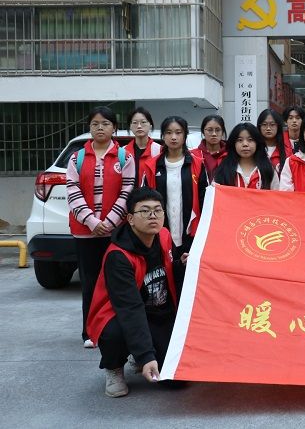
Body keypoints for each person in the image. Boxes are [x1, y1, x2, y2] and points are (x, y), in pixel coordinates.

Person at [86, 187, 178, 397]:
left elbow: (174, 274)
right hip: (122, 314)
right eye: (145, 211)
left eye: (158, 210)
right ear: (130, 219)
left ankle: (140, 354)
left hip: (160, 313)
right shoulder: (118, 256)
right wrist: (146, 355)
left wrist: (183, 263)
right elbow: (130, 308)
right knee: (114, 332)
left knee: (177, 381)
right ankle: (114, 366)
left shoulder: (164, 236)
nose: (153, 216)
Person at [66, 106, 136, 348]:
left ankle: (112, 329)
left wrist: (109, 222)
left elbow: (128, 191)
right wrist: (92, 222)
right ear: (89, 127)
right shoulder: (77, 158)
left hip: (114, 232)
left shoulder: (124, 157)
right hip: (85, 233)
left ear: (114, 127)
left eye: (105, 124)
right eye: (95, 124)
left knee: (114, 282)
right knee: (89, 282)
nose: (100, 128)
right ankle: (89, 332)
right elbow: (72, 192)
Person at [142, 116, 207, 294]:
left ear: (185, 135)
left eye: (178, 132)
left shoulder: (197, 164)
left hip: (190, 234)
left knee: (188, 284)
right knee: (163, 284)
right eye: (169, 132)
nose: (173, 137)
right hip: (159, 234)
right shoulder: (152, 165)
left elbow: (204, 200)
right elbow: (144, 200)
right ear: (162, 136)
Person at [214, 123, 277, 190]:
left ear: (257, 143)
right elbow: (215, 193)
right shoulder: (224, 168)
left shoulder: (268, 168)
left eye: (250, 139)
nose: (245, 144)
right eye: (240, 140)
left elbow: (276, 194)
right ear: (233, 144)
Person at [124, 107, 161, 188]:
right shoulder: (123, 152)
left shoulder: (159, 150)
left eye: (143, 122)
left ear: (150, 125)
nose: (139, 126)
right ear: (130, 126)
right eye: (135, 123)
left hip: (152, 195)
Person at [191, 115, 227, 183]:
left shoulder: (231, 155)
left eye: (218, 130)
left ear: (222, 132)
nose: (214, 134)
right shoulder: (192, 155)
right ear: (203, 132)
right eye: (210, 130)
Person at [257, 109, 291, 174]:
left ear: (278, 126)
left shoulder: (287, 151)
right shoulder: (254, 149)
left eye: (272, 125)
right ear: (259, 126)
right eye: (264, 124)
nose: (268, 128)